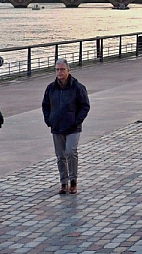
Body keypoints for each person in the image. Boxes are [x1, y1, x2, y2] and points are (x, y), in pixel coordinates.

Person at [42, 59, 90, 195]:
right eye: (57, 70)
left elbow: (85, 105)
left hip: (73, 127)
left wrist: (77, 120)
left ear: (68, 70)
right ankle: (64, 182)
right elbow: (45, 105)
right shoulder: (51, 88)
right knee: (60, 156)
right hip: (57, 126)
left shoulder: (77, 87)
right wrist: (49, 119)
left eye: (62, 69)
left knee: (70, 152)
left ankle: (73, 181)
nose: (59, 72)